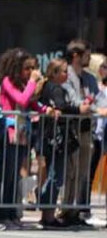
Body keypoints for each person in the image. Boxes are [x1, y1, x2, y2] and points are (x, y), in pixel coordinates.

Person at [0, 48, 43, 230]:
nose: (31, 72)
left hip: (22, 132)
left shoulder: (24, 84)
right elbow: (21, 100)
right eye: (26, 68)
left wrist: (46, 110)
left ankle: (11, 213)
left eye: (32, 68)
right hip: (10, 132)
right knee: (7, 175)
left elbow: (32, 103)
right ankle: (1, 214)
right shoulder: (8, 81)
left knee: (15, 176)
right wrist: (32, 82)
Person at [38, 59, 80, 229]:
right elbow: (61, 107)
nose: (66, 74)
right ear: (54, 73)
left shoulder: (50, 87)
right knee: (56, 175)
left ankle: (47, 212)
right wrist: (78, 110)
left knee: (55, 174)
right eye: (63, 71)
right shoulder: (54, 88)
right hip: (56, 138)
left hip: (52, 137)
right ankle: (47, 213)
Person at [61, 39, 97, 227]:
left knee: (83, 171)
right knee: (70, 171)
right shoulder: (65, 75)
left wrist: (92, 108)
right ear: (76, 55)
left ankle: (75, 210)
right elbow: (75, 102)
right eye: (87, 54)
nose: (90, 58)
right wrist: (87, 108)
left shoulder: (90, 79)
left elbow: (98, 101)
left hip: (86, 130)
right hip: (70, 128)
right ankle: (65, 209)